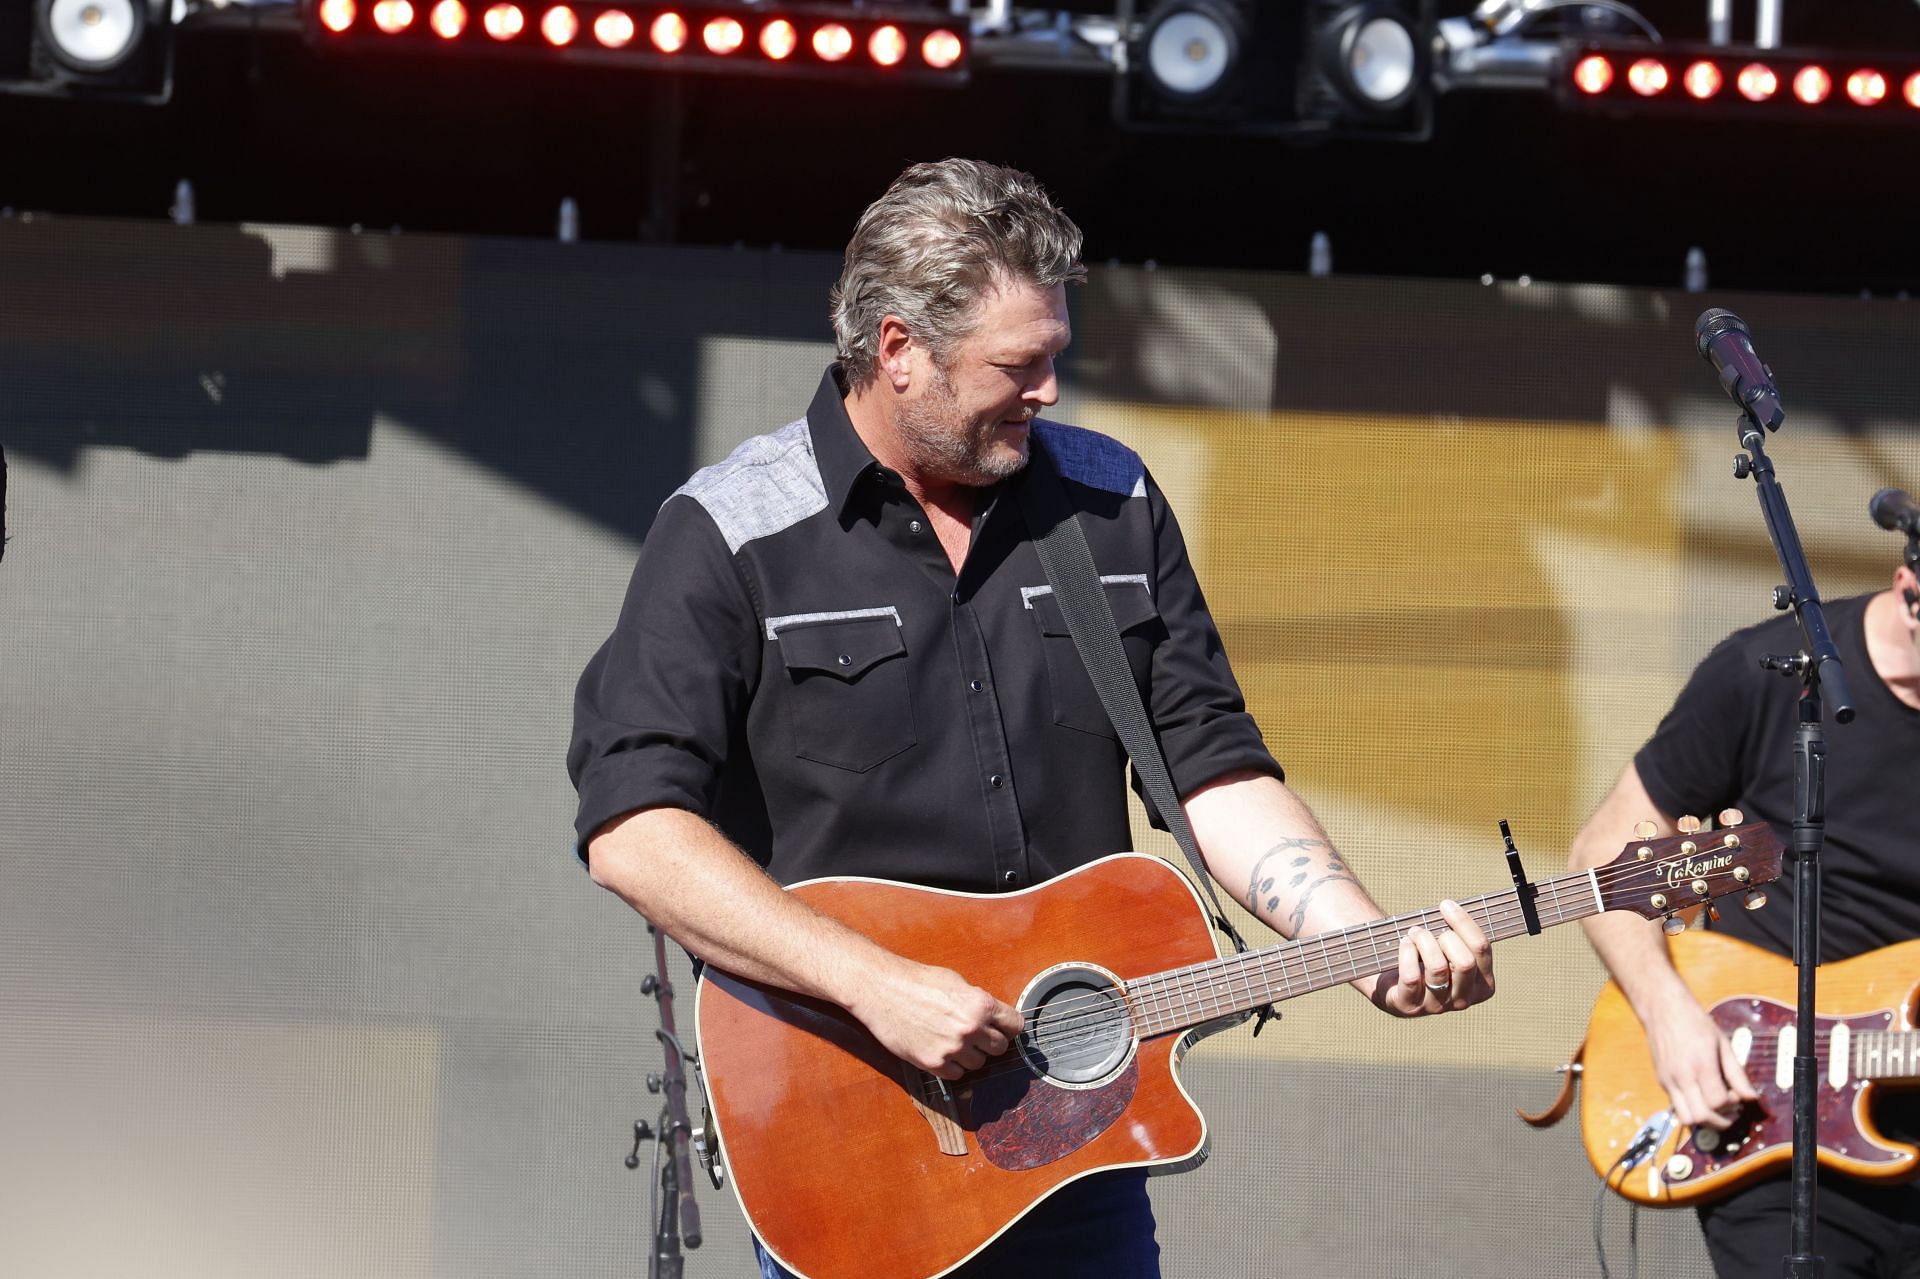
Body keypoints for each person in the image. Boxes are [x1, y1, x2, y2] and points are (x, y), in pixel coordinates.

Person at [568, 158, 1495, 1279]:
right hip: (855, 1142)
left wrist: (1356, 940)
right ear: (899, 350)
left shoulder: (1110, 502)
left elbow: (1210, 765)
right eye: (1020, 363)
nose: (1050, 390)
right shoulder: (730, 530)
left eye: (1057, 354)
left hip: (1079, 1129)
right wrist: (880, 985)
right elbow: (634, 829)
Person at [1566, 543, 1920, 1276]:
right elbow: (1605, 855)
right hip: (1775, 1126)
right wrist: (1671, 1017)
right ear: (1908, 588)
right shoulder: (1773, 675)